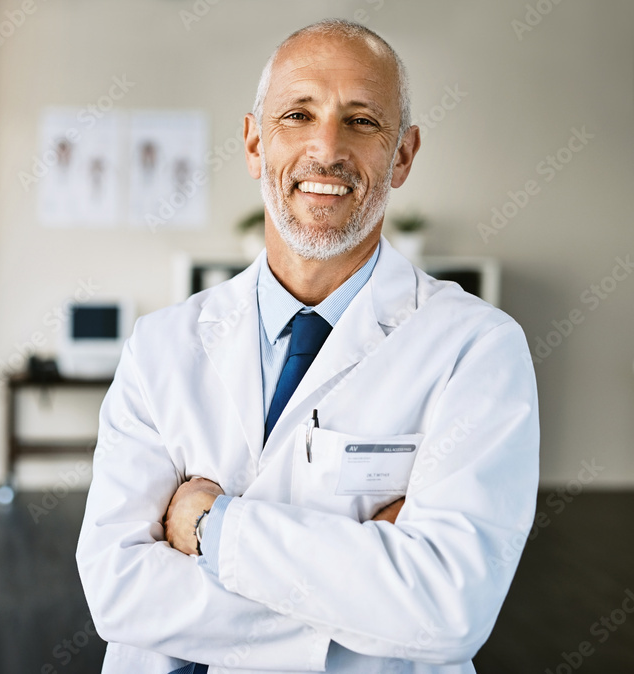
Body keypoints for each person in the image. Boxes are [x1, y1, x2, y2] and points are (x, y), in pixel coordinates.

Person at [76, 18, 538, 674]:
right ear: (254, 143)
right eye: (298, 114)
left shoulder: (478, 350)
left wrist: (211, 527)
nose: (327, 148)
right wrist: (366, 589)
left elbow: (448, 610)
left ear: (402, 155)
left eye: (362, 121)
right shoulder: (160, 347)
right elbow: (118, 592)